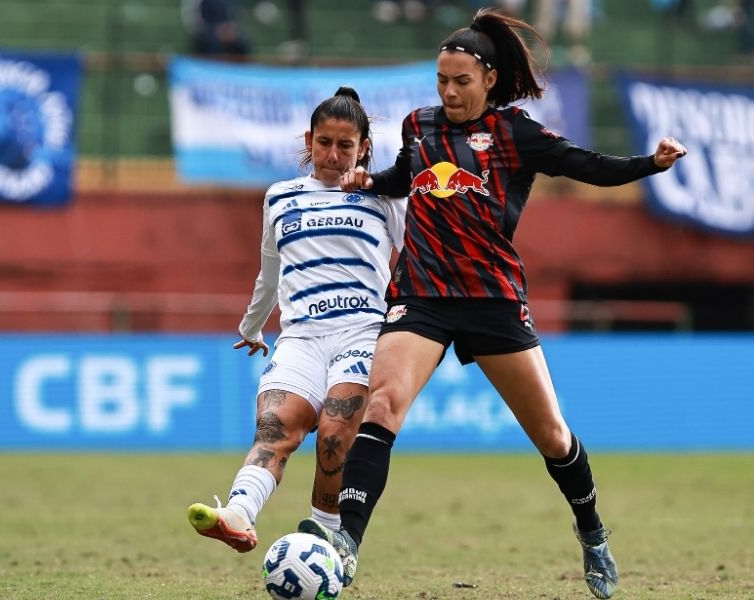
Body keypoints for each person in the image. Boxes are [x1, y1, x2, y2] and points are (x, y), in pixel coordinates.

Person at [295, 8, 686, 599]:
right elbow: (408, 175)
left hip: (491, 300)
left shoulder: (515, 133)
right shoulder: (416, 125)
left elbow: (588, 167)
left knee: (552, 436)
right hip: (422, 294)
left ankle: (593, 532)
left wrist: (648, 165)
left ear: (490, 80)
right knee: (382, 404)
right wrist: (371, 182)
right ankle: (346, 544)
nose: (449, 93)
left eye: (461, 82)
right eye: (442, 82)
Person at [187, 87, 407, 553]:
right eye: (324, 142)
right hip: (300, 335)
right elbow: (269, 273)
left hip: (362, 331)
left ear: (364, 146)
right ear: (309, 140)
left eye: (345, 146)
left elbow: (416, 256)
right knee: (274, 428)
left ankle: (325, 538)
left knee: (334, 432)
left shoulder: (382, 194)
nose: (332, 155)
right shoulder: (280, 197)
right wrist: (251, 326)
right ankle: (237, 515)